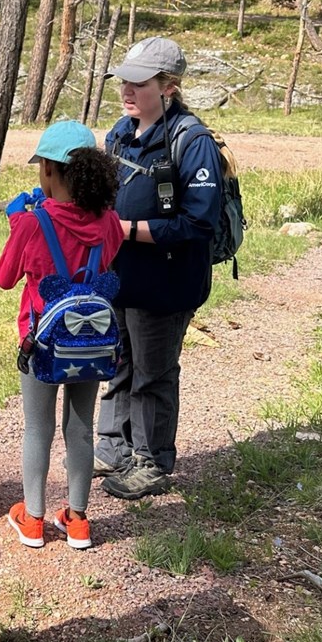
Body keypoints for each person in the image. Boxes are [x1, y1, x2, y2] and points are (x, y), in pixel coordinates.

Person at [94, 37, 224, 500]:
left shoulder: (193, 142)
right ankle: (113, 449)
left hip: (167, 285)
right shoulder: (119, 133)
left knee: (153, 371)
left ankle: (150, 462)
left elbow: (199, 221)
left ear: (168, 87)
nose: (126, 90)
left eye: (139, 83)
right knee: (119, 363)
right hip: (120, 280)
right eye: (124, 80)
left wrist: (125, 230)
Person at [0, 121, 123, 550]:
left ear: (48, 169)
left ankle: (32, 520)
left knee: (37, 428)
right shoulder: (109, 223)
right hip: (91, 340)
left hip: (41, 340)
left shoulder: (33, 224)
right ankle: (79, 520)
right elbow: (105, 258)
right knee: (82, 426)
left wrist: (20, 227)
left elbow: (4, 278)